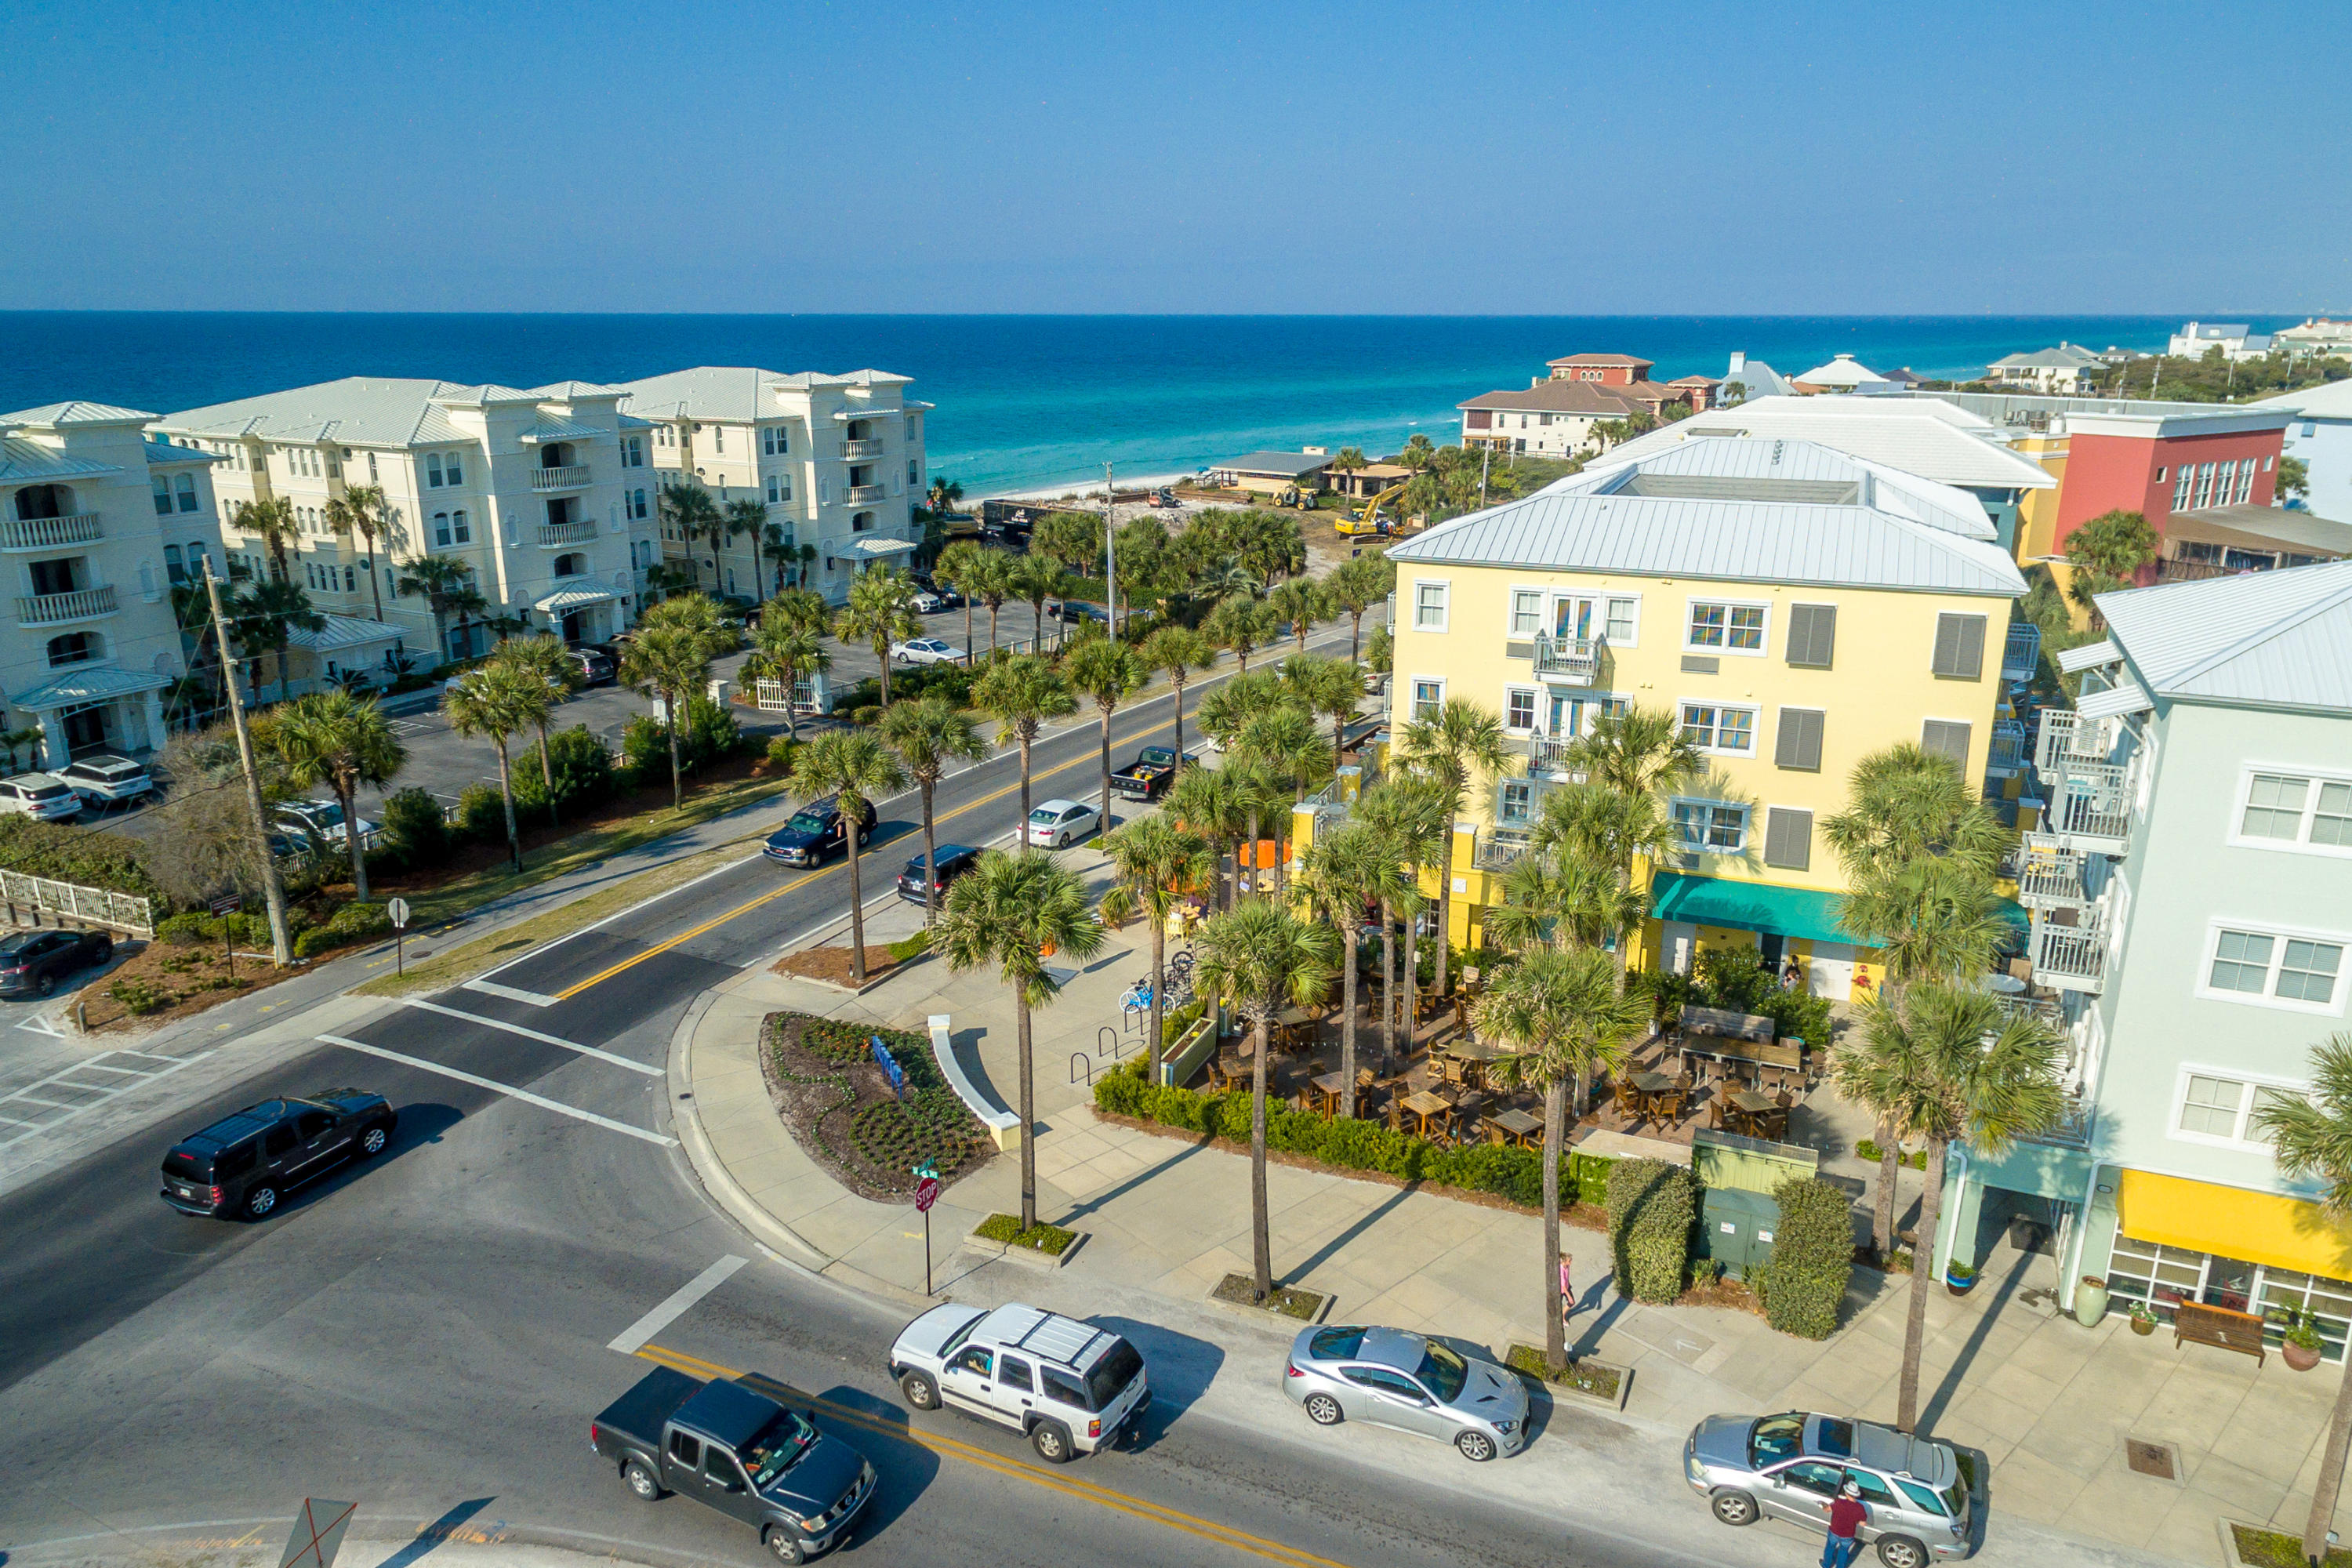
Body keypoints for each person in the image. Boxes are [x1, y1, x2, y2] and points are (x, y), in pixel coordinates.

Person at [1820, 1478, 1868, 1568]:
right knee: (1843, 1552)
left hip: (1834, 1531)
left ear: (1846, 1493)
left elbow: (1827, 1510)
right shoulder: (1860, 1508)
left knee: (1830, 1548)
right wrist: (1854, 1520)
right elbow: (1863, 1524)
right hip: (1848, 1535)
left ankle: (1826, 1565)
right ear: (1856, 1495)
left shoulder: (1839, 1502)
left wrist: (1823, 1505)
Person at [1559, 1253, 1575, 1330]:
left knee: (1572, 1302)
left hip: (1567, 1286)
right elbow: (1563, 1287)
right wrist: (1569, 1296)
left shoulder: (1567, 1266)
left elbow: (1567, 1278)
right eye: (1569, 1261)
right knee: (1570, 1301)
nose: (1571, 1262)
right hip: (1562, 1289)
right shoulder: (1561, 1269)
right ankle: (1561, 1318)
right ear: (1565, 1261)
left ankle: (1562, 1315)